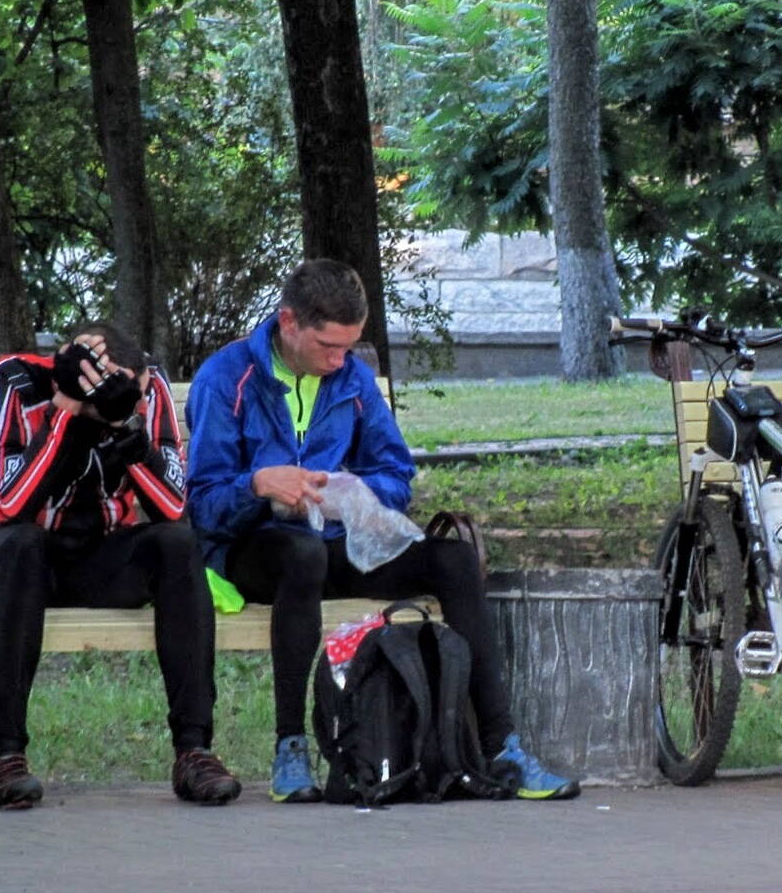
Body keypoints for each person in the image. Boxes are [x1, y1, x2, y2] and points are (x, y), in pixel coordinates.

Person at [184, 259, 578, 803]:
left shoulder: (353, 380)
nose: (338, 359)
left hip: (337, 542)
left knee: (454, 560)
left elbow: (395, 474)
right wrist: (257, 485)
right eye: (328, 345)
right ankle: (290, 747)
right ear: (289, 322)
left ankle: (501, 746)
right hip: (256, 551)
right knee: (301, 554)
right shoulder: (226, 378)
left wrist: (352, 492)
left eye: (348, 347)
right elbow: (203, 506)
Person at [0, 323, 241, 809]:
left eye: (134, 389)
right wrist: (69, 410)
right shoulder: (13, 378)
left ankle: (194, 751)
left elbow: (171, 507)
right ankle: (4, 755)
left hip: (90, 553)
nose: (130, 397)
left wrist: (127, 429)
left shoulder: (148, 386)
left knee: (177, 544)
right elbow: (13, 502)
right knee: (26, 544)